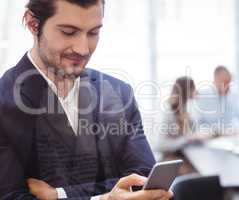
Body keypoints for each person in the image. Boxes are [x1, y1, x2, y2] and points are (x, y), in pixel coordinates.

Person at [0, 0, 173, 200]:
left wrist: (59, 194)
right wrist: (106, 196)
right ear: (33, 24)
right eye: (68, 32)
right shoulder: (5, 102)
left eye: (93, 33)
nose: (83, 49)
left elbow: (145, 182)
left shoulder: (119, 93)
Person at [157, 76, 204, 175]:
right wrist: (188, 138)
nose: (196, 91)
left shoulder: (185, 109)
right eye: (193, 88)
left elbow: (192, 130)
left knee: (204, 170)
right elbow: (161, 145)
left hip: (183, 156)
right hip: (170, 159)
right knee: (200, 174)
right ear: (186, 90)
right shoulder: (168, 112)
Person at [188, 66, 239, 136]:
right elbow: (197, 123)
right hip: (208, 139)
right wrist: (213, 132)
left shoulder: (233, 96)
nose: (226, 87)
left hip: (229, 138)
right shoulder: (202, 96)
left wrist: (237, 129)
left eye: (228, 82)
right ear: (215, 81)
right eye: (223, 83)